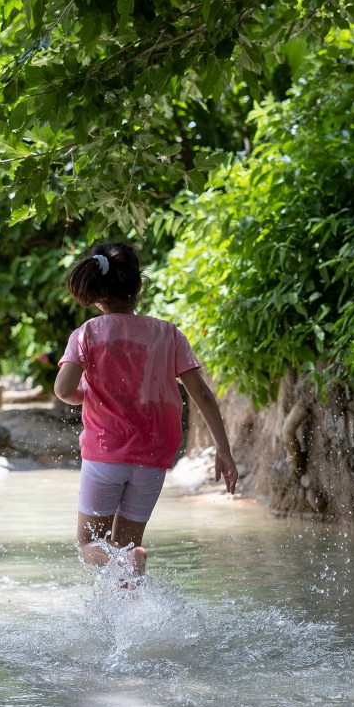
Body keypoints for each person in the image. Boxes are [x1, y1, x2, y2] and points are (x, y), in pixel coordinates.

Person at [53, 242, 237, 580]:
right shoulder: (168, 334)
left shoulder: (87, 334)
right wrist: (223, 450)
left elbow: (63, 390)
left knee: (88, 545)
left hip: (105, 455)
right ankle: (129, 612)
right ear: (138, 286)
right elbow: (201, 393)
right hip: (153, 458)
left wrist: (88, 395)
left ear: (96, 293)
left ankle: (124, 570)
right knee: (126, 546)